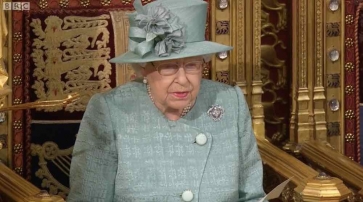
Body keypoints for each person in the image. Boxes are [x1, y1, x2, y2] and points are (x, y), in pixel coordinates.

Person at [68, 0, 266, 201]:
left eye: (192, 66)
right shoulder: (111, 111)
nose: (182, 79)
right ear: (144, 68)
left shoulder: (230, 102)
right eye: (169, 67)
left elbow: (252, 196)